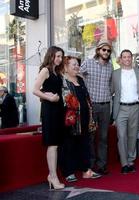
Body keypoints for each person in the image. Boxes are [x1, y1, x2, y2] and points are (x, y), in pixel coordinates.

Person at [59, 56, 101, 182]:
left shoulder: (80, 80)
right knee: (69, 145)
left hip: (84, 117)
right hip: (70, 120)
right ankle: (69, 172)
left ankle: (86, 170)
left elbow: (86, 98)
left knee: (85, 144)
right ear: (65, 67)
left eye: (77, 64)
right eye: (73, 64)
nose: (77, 66)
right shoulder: (63, 82)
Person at [33, 46, 65, 190]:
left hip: (58, 109)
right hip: (49, 110)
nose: (59, 59)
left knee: (56, 144)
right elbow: (34, 90)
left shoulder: (57, 72)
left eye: (61, 56)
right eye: (57, 56)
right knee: (52, 144)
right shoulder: (45, 70)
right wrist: (48, 97)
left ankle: (52, 175)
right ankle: (52, 176)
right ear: (51, 56)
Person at [80, 39, 113, 175]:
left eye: (108, 50)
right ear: (98, 50)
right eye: (103, 50)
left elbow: (111, 84)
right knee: (91, 136)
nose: (106, 52)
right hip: (91, 105)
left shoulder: (110, 66)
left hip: (106, 105)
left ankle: (102, 165)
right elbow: (77, 74)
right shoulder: (88, 63)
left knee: (103, 137)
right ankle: (90, 164)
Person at [112, 49, 139, 174]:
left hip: (135, 107)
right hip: (121, 108)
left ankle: (131, 161)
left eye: (129, 57)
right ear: (121, 59)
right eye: (124, 57)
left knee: (132, 136)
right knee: (122, 136)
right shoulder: (115, 74)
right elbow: (111, 91)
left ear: (132, 58)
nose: (127, 59)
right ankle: (124, 163)